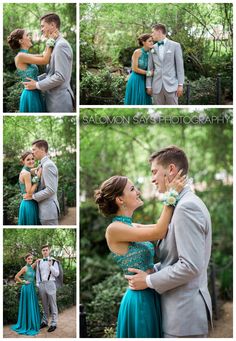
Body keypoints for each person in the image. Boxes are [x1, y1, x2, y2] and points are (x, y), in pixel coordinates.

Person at [125, 146, 213, 338]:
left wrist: (148, 281)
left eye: (155, 172)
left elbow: (190, 265)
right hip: (179, 315)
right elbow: (174, 258)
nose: (152, 179)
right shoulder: (178, 204)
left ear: (171, 170)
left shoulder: (186, 207)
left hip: (183, 317)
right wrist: (153, 270)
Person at [94, 171, 185, 338]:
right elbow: (159, 231)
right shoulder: (114, 229)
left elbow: (164, 228)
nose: (138, 192)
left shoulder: (132, 226)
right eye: (133, 189)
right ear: (120, 200)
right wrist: (172, 194)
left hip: (151, 290)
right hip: (139, 299)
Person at [23, 13, 75, 112]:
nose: (41, 29)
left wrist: (37, 85)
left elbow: (60, 76)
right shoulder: (54, 44)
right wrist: (35, 79)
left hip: (59, 102)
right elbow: (51, 73)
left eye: (42, 26)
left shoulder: (61, 45)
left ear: (52, 25)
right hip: (52, 99)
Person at [7, 28, 56, 112]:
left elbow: (43, 55)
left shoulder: (26, 55)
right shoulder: (21, 56)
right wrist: (51, 40)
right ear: (20, 41)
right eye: (27, 35)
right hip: (30, 95)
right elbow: (45, 60)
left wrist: (49, 38)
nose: (29, 37)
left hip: (36, 91)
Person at [146, 24, 184, 105]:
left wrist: (180, 85)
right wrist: (148, 85)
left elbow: (180, 67)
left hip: (171, 86)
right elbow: (150, 68)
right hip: (156, 86)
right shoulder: (152, 48)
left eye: (153, 32)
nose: (151, 35)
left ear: (159, 32)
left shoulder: (175, 46)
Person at [24, 140, 60, 225]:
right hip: (44, 209)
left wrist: (32, 196)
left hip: (48, 211)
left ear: (42, 149)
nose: (32, 153)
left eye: (34, 149)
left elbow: (50, 190)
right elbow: (37, 173)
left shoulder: (48, 165)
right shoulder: (42, 164)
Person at [11, 253, 40, 336]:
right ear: (25, 259)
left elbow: (38, 260)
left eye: (31, 259)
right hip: (26, 288)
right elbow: (16, 277)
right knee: (28, 305)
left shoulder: (32, 266)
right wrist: (23, 282)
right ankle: (26, 325)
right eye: (28, 259)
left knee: (31, 304)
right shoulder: (24, 268)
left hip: (32, 288)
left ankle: (31, 323)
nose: (30, 260)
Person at [36, 245, 62, 333]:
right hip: (42, 284)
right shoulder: (39, 262)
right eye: (43, 250)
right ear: (41, 252)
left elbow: (57, 274)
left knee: (53, 304)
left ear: (49, 251)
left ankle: (54, 323)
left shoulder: (53, 261)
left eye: (46, 250)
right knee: (44, 304)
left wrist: (50, 266)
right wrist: (38, 284)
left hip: (51, 283)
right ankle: (45, 321)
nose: (45, 251)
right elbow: (37, 274)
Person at [124, 34, 153, 105]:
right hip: (136, 80)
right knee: (137, 101)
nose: (152, 43)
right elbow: (134, 68)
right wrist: (149, 73)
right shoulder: (137, 52)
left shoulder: (151, 53)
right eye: (149, 41)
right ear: (143, 42)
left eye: (152, 41)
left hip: (146, 81)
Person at [18, 151, 41, 225]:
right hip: (29, 203)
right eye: (28, 159)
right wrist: (38, 177)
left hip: (28, 202)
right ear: (23, 161)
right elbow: (30, 192)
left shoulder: (26, 170)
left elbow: (31, 169)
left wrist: (38, 167)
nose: (31, 161)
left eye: (32, 159)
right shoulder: (26, 173)